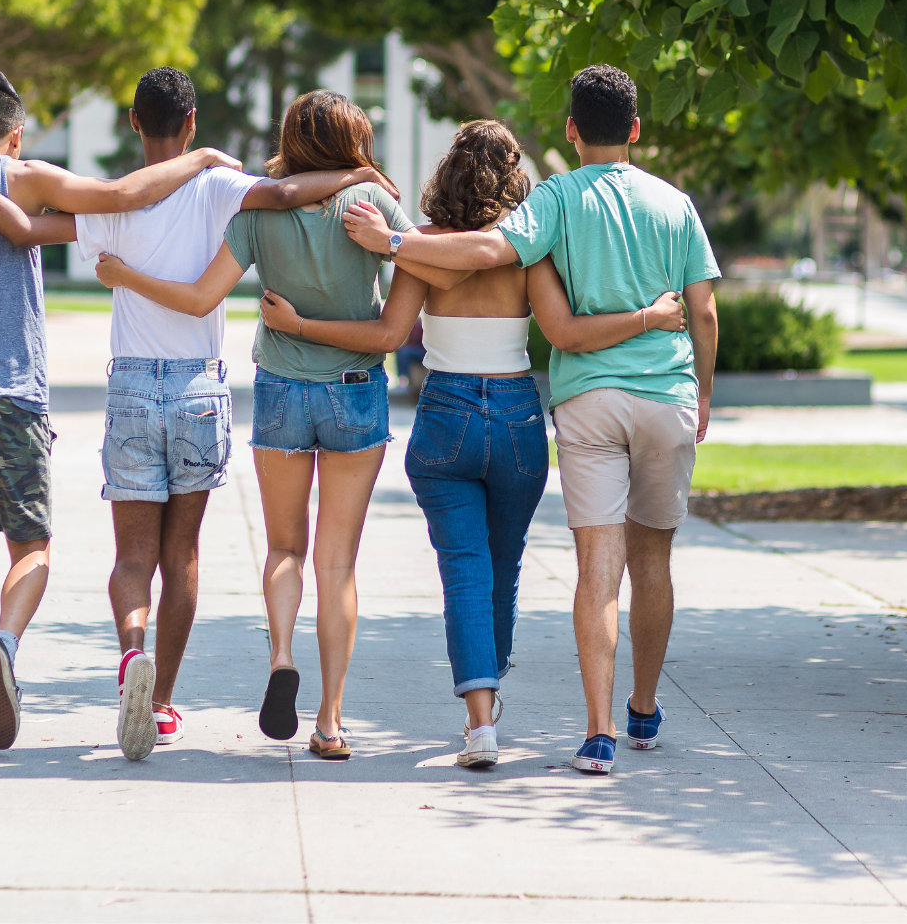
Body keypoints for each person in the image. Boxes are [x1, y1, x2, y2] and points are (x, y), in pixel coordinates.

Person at [0, 69, 386, 761]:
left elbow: (20, 230)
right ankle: (162, 702)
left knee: (131, 557)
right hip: (199, 391)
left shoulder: (108, 200)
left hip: (132, 389)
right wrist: (357, 175)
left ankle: (131, 653)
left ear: (135, 124)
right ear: (192, 122)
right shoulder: (220, 186)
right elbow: (288, 190)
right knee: (183, 556)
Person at [257, 119, 685, 769]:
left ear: (446, 175)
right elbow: (564, 331)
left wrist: (298, 325)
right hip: (515, 417)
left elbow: (386, 335)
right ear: (514, 179)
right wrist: (651, 318)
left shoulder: (422, 247)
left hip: (447, 415)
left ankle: (479, 720)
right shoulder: (525, 252)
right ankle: (490, 685)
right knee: (503, 568)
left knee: (463, 571)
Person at [341, 66, 720, 776]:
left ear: (573, 129)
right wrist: (697, 383)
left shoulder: (469, 234)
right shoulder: (613, 221)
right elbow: (655, 316)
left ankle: (530, 722)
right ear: (635, 128)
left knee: (512, 569)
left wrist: (382, 252)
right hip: (562, 408)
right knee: (598, 560)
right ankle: (618, 702)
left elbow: (410, 326)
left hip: (490, 409)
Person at [0, 67, 241, 751]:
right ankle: (5, 645)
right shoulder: (27, 175)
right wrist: (199, 156)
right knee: (31, 547)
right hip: (10, 390)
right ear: (16, 135)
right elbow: (123, 194)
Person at [93, 90, 460, 760]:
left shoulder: (259, 209)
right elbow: (412, 291)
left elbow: (204, 296)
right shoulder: (372, 203)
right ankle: (331, 721)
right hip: (355, 394)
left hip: (284, 391)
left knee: (285, 550)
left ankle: (283, 654)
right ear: (353, 143)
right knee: (337, 562)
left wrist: (126, 278)